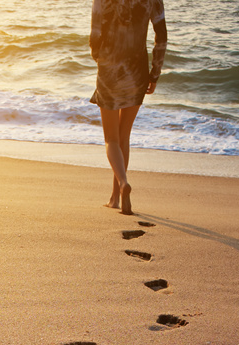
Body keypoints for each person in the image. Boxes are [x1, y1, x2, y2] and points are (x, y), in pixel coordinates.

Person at [90, 0, 167, 214]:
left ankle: (123, 184)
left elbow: (95, 33)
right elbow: (161, 36)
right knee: (124, 136)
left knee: (111, 139)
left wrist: (99, 56)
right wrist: (155, 72)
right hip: (137, 70)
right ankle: (115, 198)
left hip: (109, 69)